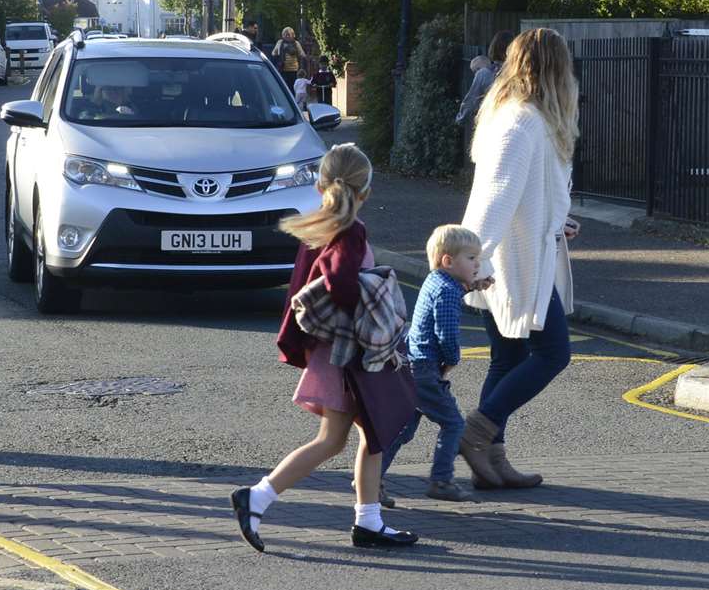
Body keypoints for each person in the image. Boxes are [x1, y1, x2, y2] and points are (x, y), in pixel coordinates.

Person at [230, 143, 419, 552]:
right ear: (366, 191)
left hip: (332, 351)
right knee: (356, 434)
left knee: (358, 435)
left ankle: (364, 520)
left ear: (320, 185)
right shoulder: (351, 230)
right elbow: (342, 284)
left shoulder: (321, 227)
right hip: (348, 354)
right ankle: (264, 497)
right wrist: (369, 299)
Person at [457, 28, 581, 490]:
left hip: (516, 255)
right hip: (512, 261)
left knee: (507, 357)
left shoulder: (524, 117)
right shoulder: (522, 121)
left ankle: (492, 461)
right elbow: (497, 195)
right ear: (553, 69)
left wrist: (558, 220)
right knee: (553, 353)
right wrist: (469, 259)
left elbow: (532, 191)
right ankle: (477, 432)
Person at [377, 225, 480, 502]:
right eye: (471, 258)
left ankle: (371, 478)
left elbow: (449, 296)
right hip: (426, 368)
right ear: (448, 261)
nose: (477, 264)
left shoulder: (436, 281)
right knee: (454, 424)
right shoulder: (447, 292)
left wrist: (473, 286)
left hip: (412, 364)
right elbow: (447, 333)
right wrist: (453, 359)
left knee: (403, 429)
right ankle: (442, 480)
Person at [456, 31, 516, 126]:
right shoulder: (521, 75)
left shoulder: (485, 74)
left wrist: (460, 118)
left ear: (493, 48)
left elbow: (471, 102)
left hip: (491, 126)